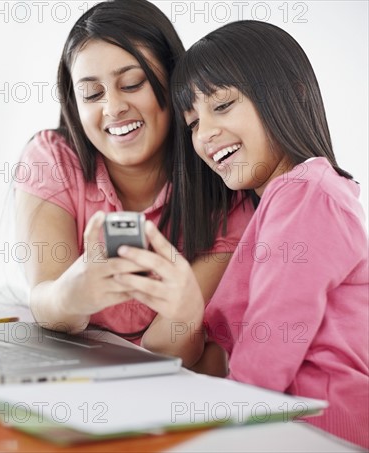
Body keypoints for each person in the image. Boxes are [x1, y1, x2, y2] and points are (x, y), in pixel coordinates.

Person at [118, 20, 368, 447]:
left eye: (223, 105)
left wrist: (223, 434)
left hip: (317, 428)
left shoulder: (306, 194)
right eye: (193, 122)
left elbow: (267, 348)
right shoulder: (280, 202)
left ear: (291, 92)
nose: (206, 134)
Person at [13, 0, 252, 369]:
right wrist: (70, 297)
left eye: (132, 83)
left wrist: (184, 311)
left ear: (173, 82)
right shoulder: (53, 160)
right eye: (92, 94)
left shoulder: (224, 190)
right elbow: (44, 300)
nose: (113, 107)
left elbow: (170, 356)